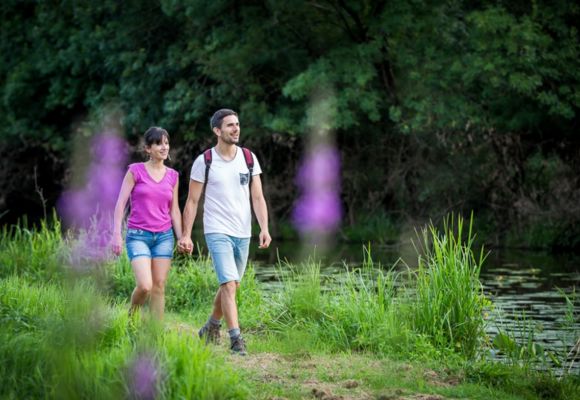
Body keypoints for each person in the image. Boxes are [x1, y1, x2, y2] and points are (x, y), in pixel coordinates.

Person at [179, 109, 271, 355]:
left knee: (231, 286)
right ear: (217, 131)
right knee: (229, 285)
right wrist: (186, 234)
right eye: (230, 125)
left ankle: (210, 327)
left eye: (237, 124)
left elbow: (258, 196)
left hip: (243, 232)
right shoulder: (205, 161)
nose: (236, 129)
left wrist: (264, 227)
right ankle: (236, 341)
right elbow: (192, 201)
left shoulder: (249, 158)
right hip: (216, 230)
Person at [112, 127, 182, 321]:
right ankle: (131, 317)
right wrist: (116, 234)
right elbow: (120, 203)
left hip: (164, 237)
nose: (164, 147)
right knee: (145, 285)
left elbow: (174, 210)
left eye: (166, 143)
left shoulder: (173, 176)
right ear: (148, 148)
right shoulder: (135, 171)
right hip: (138, 235)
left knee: (159, 286)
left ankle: (155, 334)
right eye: (159, 143)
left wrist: (182, 236)